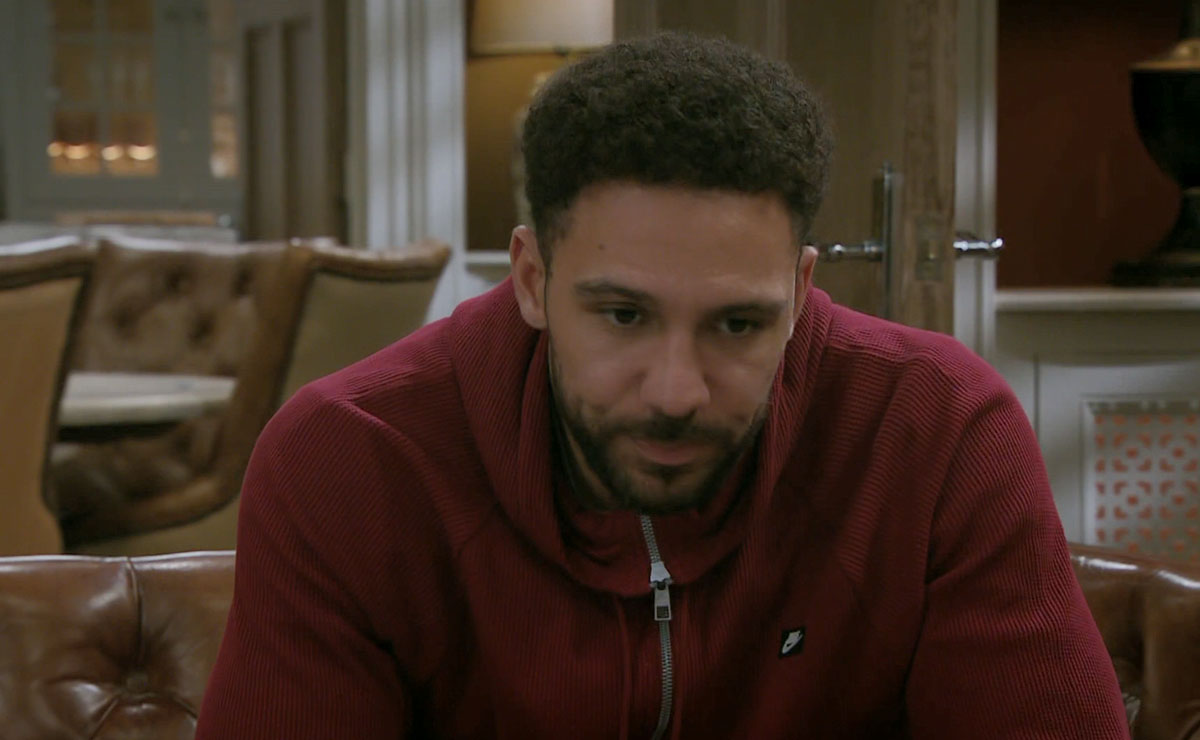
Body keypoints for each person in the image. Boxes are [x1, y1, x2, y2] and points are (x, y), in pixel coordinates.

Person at [196, 31, 1128, 739]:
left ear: (800, 292)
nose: (677, 392)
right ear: (532, 280)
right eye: (623, 315)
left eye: (738, 324)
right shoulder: (348, 460)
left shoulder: (939, 430)